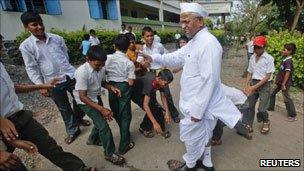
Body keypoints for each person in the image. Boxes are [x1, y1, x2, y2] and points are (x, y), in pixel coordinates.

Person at [142, 3, 242, 170]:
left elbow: (209, 80)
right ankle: (207, 163)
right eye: (182, 22)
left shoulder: (208, 43)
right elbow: (175, 57)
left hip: (199, 105)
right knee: (203, 134)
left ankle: (190, 165)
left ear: (200, 21)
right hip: (194, 102)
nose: (183, 26)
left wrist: (197, 111)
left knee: (192, 137)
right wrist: (154, 59)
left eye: (187, 22)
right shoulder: (195, 41)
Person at [0, 35, 94, 171]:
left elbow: (11, 87)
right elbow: (31, 67)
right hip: (4, 126)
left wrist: (41, 86)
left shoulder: (1, 64)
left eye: (2, 45)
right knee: (11, 164)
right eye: (0, 46)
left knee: (50, 147)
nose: (2, 49)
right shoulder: (27, 46)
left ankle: (79, 168)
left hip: (20, 116)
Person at [19, 12, 91, 144]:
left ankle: (78, 118)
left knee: (81, 100)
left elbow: (65, 56)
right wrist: (40, 85)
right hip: (51, 82)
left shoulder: (57, 38)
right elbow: (31, 67)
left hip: (70, 75)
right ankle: (73, 130)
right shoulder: (26, 46)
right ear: (26, 27)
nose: (40, 27)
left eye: (41, 23)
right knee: (63, 107)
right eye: (34, 25)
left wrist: (66, 69)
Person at [73, 46, 125, 165]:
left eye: (102, 64)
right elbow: (82, 96)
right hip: (85, 102)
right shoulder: (82, 72)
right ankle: (109, 153)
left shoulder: (100, 67)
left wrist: (111, 87)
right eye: (97, 65)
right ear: (88, 60)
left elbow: (101, 82)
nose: (100, 67)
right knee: (104, 127)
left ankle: (92, 139)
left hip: (95, 97)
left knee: (99, 121)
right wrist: (102, 109)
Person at [140, 26, 181, 123]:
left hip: (160, 72)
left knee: (166, 95)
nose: (150, 38)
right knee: (152, 97)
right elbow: (141, 61)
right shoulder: (143, 49)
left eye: (151, 36)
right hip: (150, 73)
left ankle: (174, 114)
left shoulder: (159, 46)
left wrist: (164, 67)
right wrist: (143, 64)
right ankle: (158, 116)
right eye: (147, 36)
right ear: (143, 37)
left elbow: (166, 55)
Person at [105, 34, 136, 154]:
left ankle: (124, 133)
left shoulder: (107, 58)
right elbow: (131, 82)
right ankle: (124, 145)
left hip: (111, 87)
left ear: (114, 46)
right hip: (123, 87)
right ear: (128, 46)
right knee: (125, 116)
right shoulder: (128, 63)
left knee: (116, 111)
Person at [243, 36, 275, 134]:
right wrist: (247, 85)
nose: (256, 49)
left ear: (264, 47)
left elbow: (267, 76)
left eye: (259, 47)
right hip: (254, 82)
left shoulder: (269, 58)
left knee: (262, 108)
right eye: (255, 47)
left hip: (264, 85)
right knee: (250, 105)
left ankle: (266, 122)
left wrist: (254, 87)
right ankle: (249, 123)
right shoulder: (252, 57)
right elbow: (250, 72)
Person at [131, 69, 173, 139]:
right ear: (159, 78)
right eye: (165, 83)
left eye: (168, 84)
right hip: (137, 94)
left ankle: (162, 130)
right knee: (152, 109)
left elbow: (163, 97)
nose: (166, 86)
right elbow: (145, 105)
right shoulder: (150, 83)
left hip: (148, 92)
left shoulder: (161, 83)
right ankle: (144, 128)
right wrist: (154, 123)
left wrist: (167, 112)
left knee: (157, 109)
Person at [268, 43, 297, 122]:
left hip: (284, 84)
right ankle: (270, 107)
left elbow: (287, 73)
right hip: (279, 82)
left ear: (290, 51)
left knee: (287, 98)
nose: (282, 51)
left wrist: (283, 84)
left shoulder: (288, 61)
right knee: (272, 93)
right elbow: (281, 72)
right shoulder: (285, 59)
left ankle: (292, 115)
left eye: (284, 50)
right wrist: (277, 80)